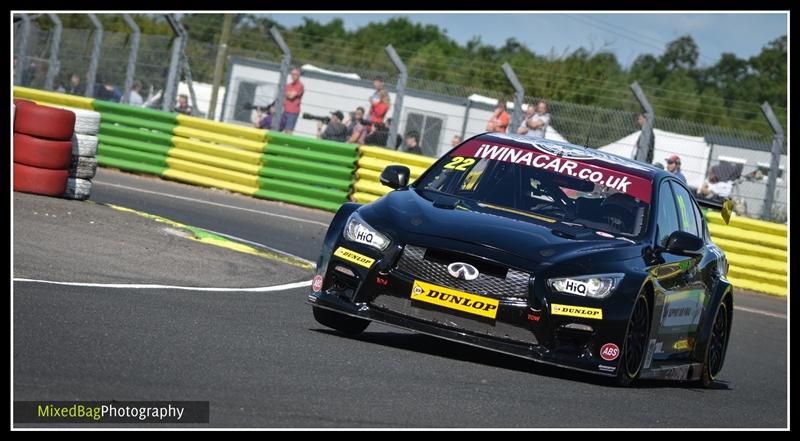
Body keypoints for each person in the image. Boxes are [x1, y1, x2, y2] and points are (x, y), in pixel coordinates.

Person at [282, 67, 304, 134]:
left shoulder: (300, 85)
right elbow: (283, 93)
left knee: (288, 130)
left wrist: (287, 93)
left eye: (295, 74)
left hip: (293, 112)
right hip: (285, 110)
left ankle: (287, 144)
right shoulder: (288, 85)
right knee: (282, 129)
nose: (293, 76)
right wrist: (288, 93)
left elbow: (291, 96)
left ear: (298, 75)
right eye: (292, 74)